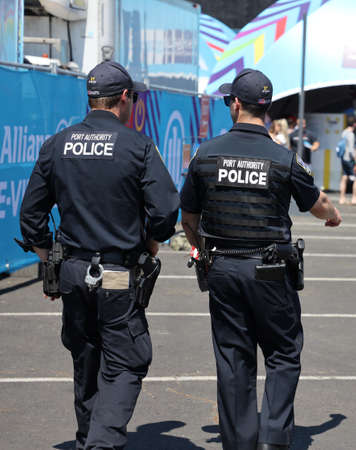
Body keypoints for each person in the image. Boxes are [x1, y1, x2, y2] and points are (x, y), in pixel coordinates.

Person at [18, 61, 180, 450]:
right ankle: (101, 443)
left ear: (90, 98)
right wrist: (154, 243)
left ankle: (87, 438)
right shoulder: (138, 145)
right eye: (133, 97)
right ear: (125, 97)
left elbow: (31, 216)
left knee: (86, 359)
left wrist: (48, 259)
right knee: (126, 361)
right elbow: (165, 210)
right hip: (116, 274)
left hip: (73, 271)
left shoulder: (57, 144)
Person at [180, 68, 341, 450]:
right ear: (265, 109)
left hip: (221, 268)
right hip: (270, 270)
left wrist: (201, 251)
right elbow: (317, 203)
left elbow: (188, 218)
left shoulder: (206, 153)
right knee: (284, 352)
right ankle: (273, 439)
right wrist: (333, 215)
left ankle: (240, 442)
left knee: (234, 357)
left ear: (236, 104)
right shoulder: (283, 157)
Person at [339, 115, 356, 204]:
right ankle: (354, 199)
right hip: (349, 159)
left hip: (343, 158)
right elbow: (351, 150)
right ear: (354, 124)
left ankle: (342, 198)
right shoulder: (351, 134)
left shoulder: (344, 132)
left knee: (344, 177)